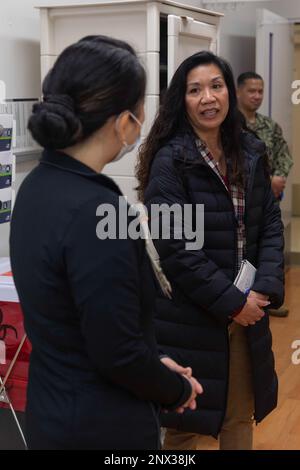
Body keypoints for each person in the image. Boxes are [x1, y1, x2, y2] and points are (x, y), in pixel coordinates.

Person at [9, 35, 202, 450]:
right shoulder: (98, 209)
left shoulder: (37, 186)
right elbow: (118, 353)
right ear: (124, 121)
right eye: (142, 106)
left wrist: (155, 365)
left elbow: (91, 331)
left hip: (51, 412)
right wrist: (175, 389)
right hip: (102, 426)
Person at [136, 51, 284, 450]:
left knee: (239, 417)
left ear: (229, 93)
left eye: (216, 86)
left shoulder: (250, 151)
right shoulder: (169, 163)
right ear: (180, 101)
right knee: (186, 422)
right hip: (190, 317)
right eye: (195, 89)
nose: (208, 98)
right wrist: (234, 302)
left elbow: (270, 224)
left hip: (247, 312)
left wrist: (264, 288)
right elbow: (176, 250)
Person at [237, 71, 293, 317]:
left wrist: (279, 178)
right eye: (251, 91)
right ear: (238, 92)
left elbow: (284, 155)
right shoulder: (232, 126)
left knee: (269, 245)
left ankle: (265, 298)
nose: (257, 96)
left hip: (267, 201)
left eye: (260, 91)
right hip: (241, 202)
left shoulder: (269, 126)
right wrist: (265, 181)